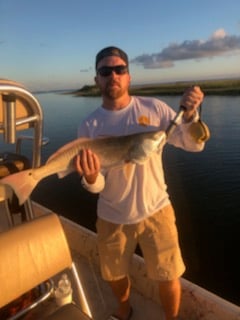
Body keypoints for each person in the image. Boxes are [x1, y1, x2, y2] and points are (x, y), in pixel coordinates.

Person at [75, 46, 206, 320]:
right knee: (114, 275)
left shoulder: (154, 108)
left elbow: (193, 145)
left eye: (120, 69)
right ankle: (124, 311)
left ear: (129, 76)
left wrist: (192, 116)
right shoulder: (90, 126)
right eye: (105, 71)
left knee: (168, 275)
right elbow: (97, 185)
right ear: (97, 79)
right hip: (112, 216)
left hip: (157, 210)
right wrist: (89, 178)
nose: (113, 75)